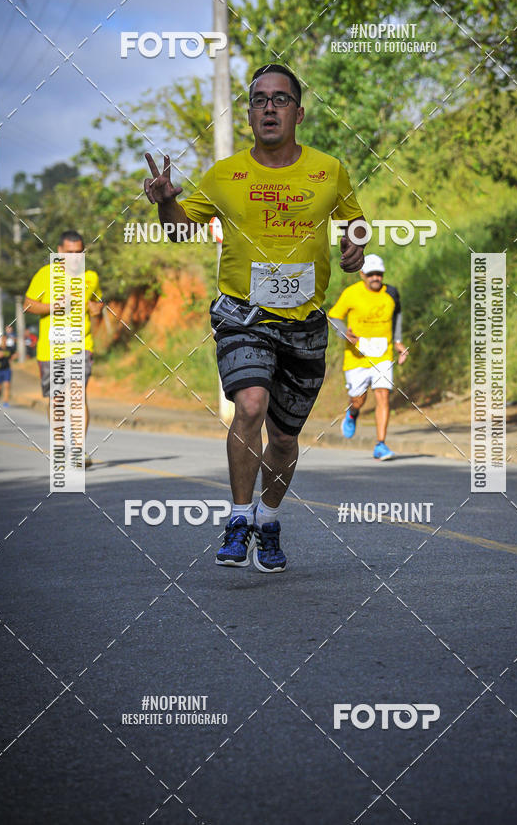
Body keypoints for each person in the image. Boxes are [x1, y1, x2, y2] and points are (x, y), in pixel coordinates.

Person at [144, 63, 366, 572]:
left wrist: (353, 245)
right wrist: (166, 204)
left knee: (284, 438)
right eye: (259, 99)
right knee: (250, 403)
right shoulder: (225, 175)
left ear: (299, 113)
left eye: (280, 99)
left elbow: (353, 219)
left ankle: (268, 520)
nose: (269, 107)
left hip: (305, 323)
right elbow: (181, 232)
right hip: (244, 314)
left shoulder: (329, 171)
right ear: (248, 114)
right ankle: (238, 517)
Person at [24, 230, 103, 467]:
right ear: (59, 252)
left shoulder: (91, 277)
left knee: (77, 395)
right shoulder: (45, 274)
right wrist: (55, 305)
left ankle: (78, 450)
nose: (75, 257)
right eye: (70, 253)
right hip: (51, 349)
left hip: (81, 345)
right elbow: (28, 305)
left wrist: (95, 311)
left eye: (79, 252)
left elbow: (95, 306)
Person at [328, 254, 408, 460]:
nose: (375, 278)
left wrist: (398, 342)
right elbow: (334, 316)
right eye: (371, 274)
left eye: (379, 274)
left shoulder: (391, 293)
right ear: (362, 274)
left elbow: (396, 317)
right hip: (357, 356)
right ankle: (353, 413)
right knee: (358, 399)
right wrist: (344, 332)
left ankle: (380, 444)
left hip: (383, 354)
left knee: (383, 395)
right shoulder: (351, 293)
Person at [0, 334, 17, 406]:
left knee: (7, 385)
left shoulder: (10, 349)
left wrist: (13, 357)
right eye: (3, 339)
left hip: (7, 369)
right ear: (1, 340)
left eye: (5, 339)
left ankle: (6, 401)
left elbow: (15, 354)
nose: (4, 341)